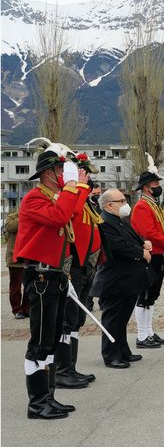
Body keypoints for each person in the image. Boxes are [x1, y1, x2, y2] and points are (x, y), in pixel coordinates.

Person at [14, 140, 89, 419]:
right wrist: (71, 187)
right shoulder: (35, 198)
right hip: (41, 275)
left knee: (53, 339)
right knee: (41, 342)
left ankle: (49, 396)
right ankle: (37, 403)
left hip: (54, 274)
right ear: (48, 173)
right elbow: (59, 217)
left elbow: (72, 212)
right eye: (60, 170)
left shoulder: (54, 197)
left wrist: (80, 187)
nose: (63, 174)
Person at [54, 161, 102, 390]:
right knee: (67, 319)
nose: (87, 178)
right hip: (71, 264)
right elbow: (71, 211)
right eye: (83, 173)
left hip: (85, 264)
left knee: (76, 320)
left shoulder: (85, 199)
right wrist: (79, 186)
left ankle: (70, 367)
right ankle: (62, 370)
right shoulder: (69, 196)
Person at [95, 189, 150, 368]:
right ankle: (111, 355)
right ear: (109, 205)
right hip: (115, 279)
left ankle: (123, 350)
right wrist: (140, 252)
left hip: (127, 278)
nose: (126, 204)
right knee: (112, 319)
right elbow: (117, 246)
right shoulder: (104, 221)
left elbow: (131, 238)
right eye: (121, 201)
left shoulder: (119, 220)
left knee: (122, 318)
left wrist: (143, 243)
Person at [130, 153, 164, 349]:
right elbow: (149, 233)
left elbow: (163, 228)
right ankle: (142, 335)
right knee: (144, 296)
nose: (158, 186)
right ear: (146, 187)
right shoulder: (142, 206)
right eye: (155, 183)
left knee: (152, 296)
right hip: (150, 256)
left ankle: (149, 332)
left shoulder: (153, 205)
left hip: (159, 255)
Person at [4, 211, 28, 319]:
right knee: (15, 287)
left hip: (28, 258)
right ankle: (17, 310)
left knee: (29, 287)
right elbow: (10, 227)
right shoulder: (12, 217)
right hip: (14, 259)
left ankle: (27, 309)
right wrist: (23, 216)